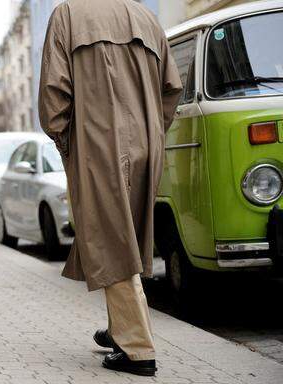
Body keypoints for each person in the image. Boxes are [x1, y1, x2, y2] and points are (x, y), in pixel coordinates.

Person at [38, 0, 183, 377]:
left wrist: (68, 144)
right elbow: (172, 88)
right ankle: (120, 330)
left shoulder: (68, 14)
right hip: (147, 142)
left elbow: (54, 96)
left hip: (97, 142)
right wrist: (152, 132)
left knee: (110, 237)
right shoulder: (145, 17)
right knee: (126, 234)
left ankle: (137, 348)